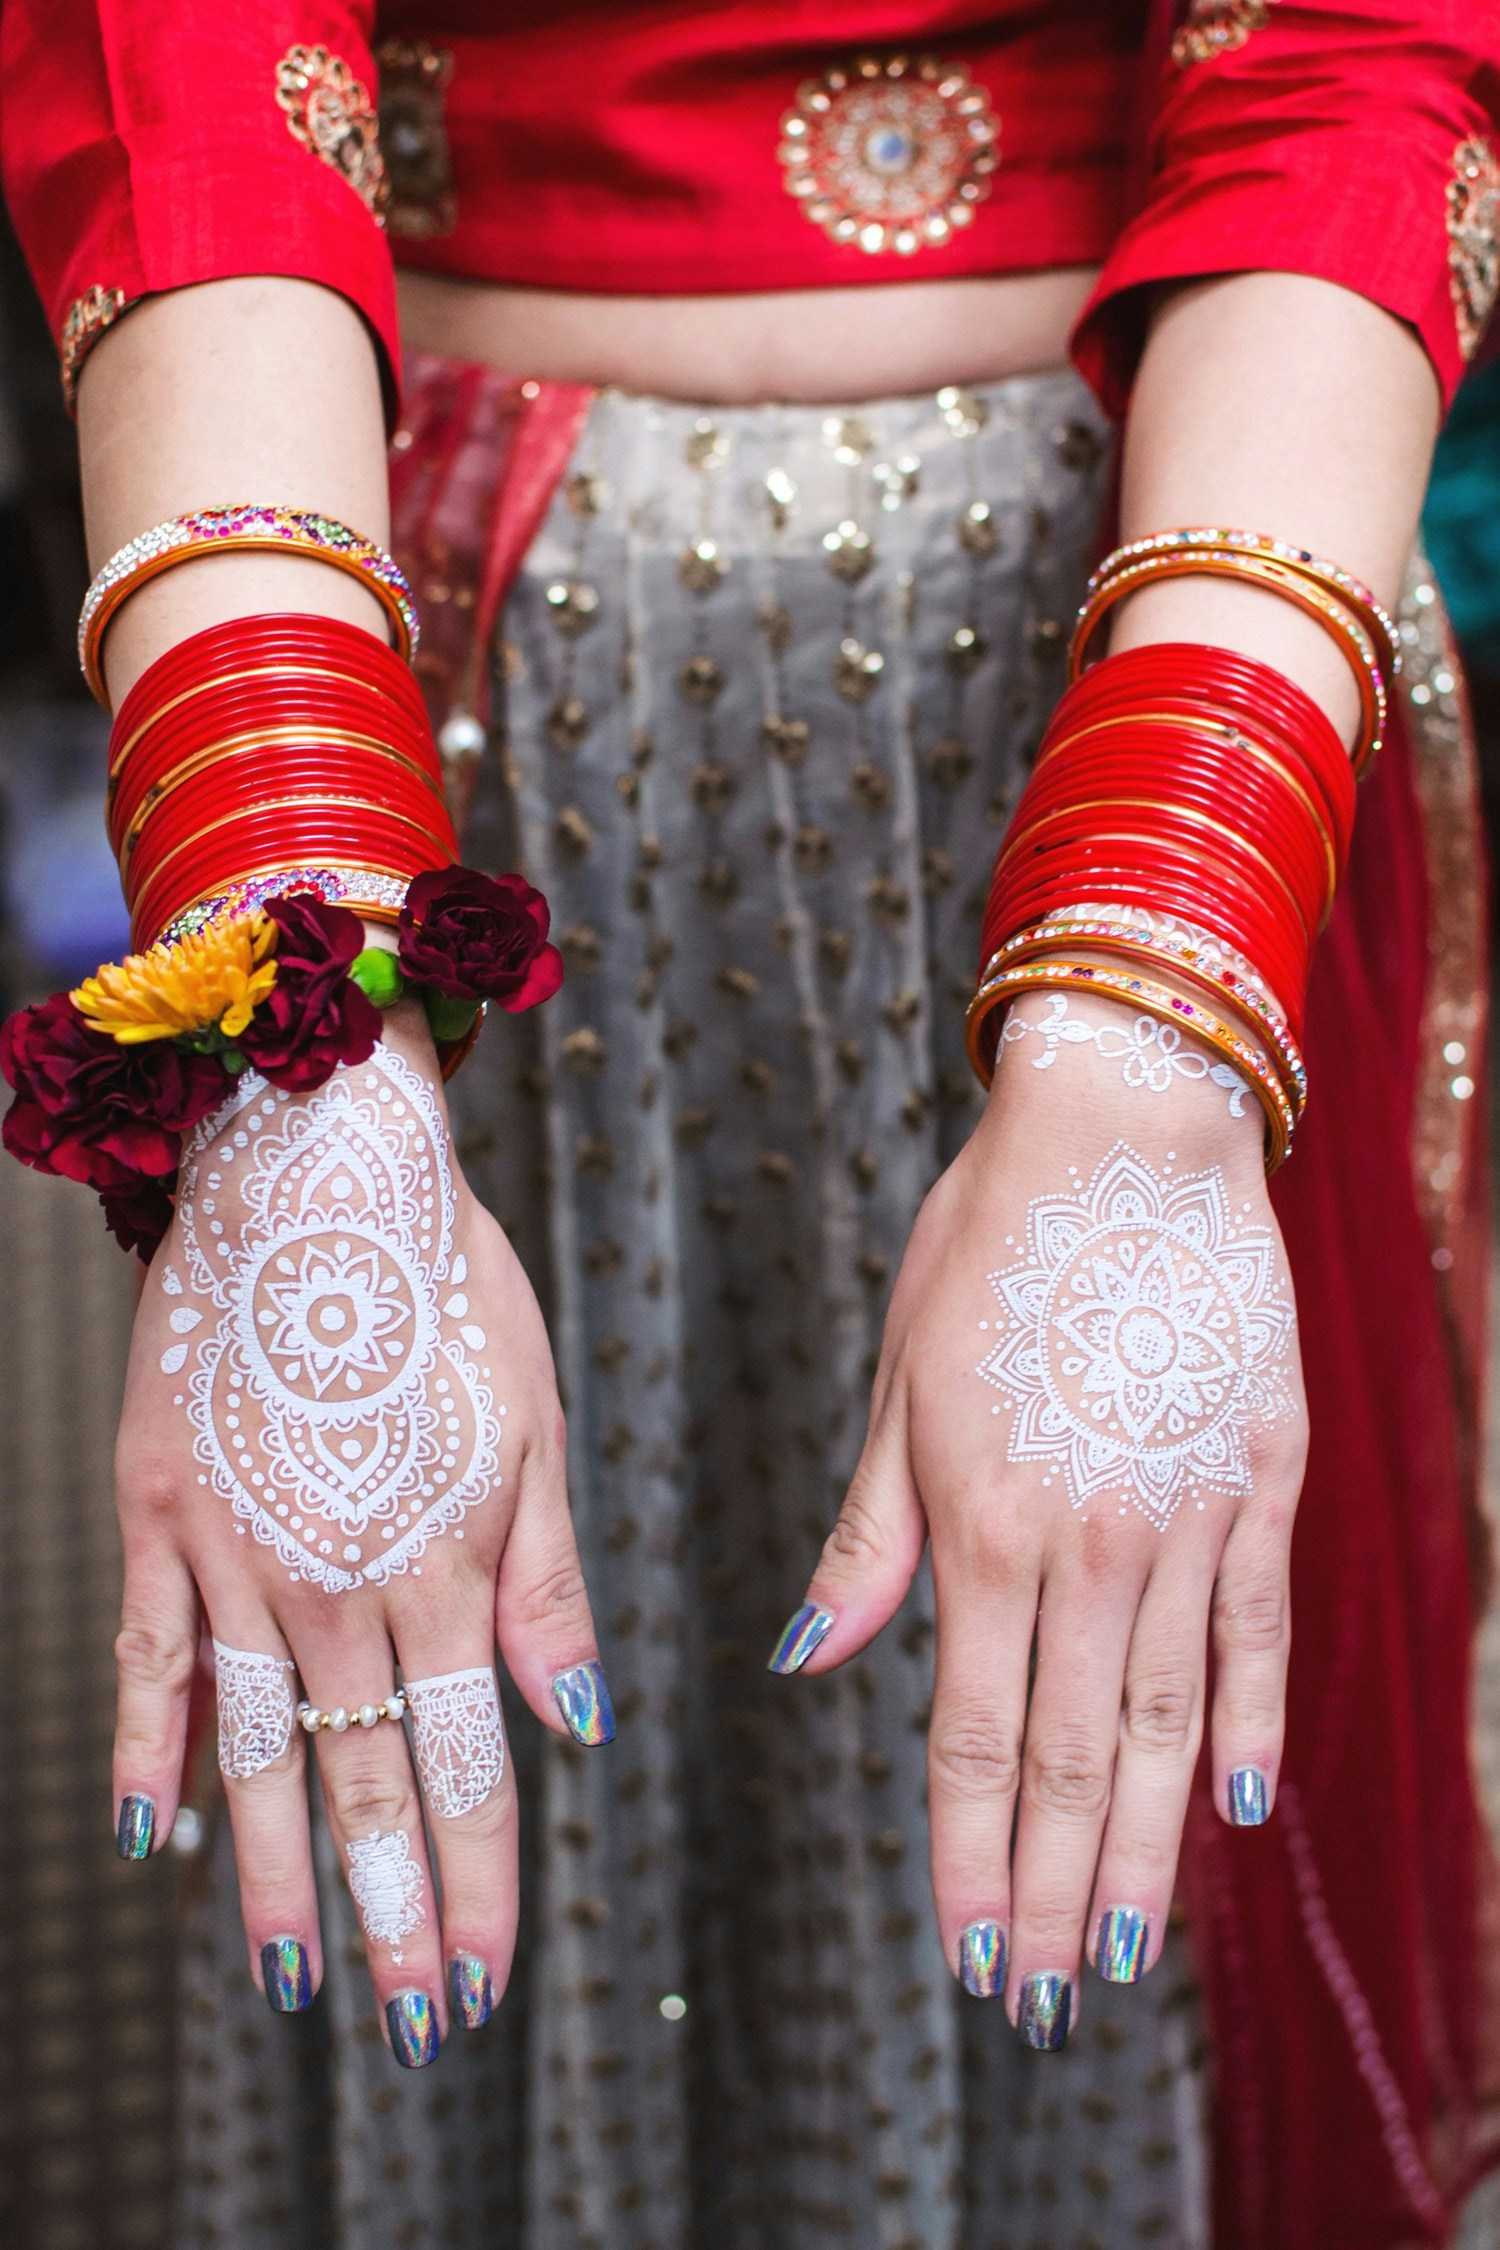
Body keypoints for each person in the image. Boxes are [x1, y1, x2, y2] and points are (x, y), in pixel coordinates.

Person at [2, 4, 1498, 2245]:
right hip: (440, 686)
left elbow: (1349, 67)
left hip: (1166, 616)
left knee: (1114, 1705)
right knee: (382, 1602)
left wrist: (1162, 970)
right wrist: (301, 1033)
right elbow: (184, 73)